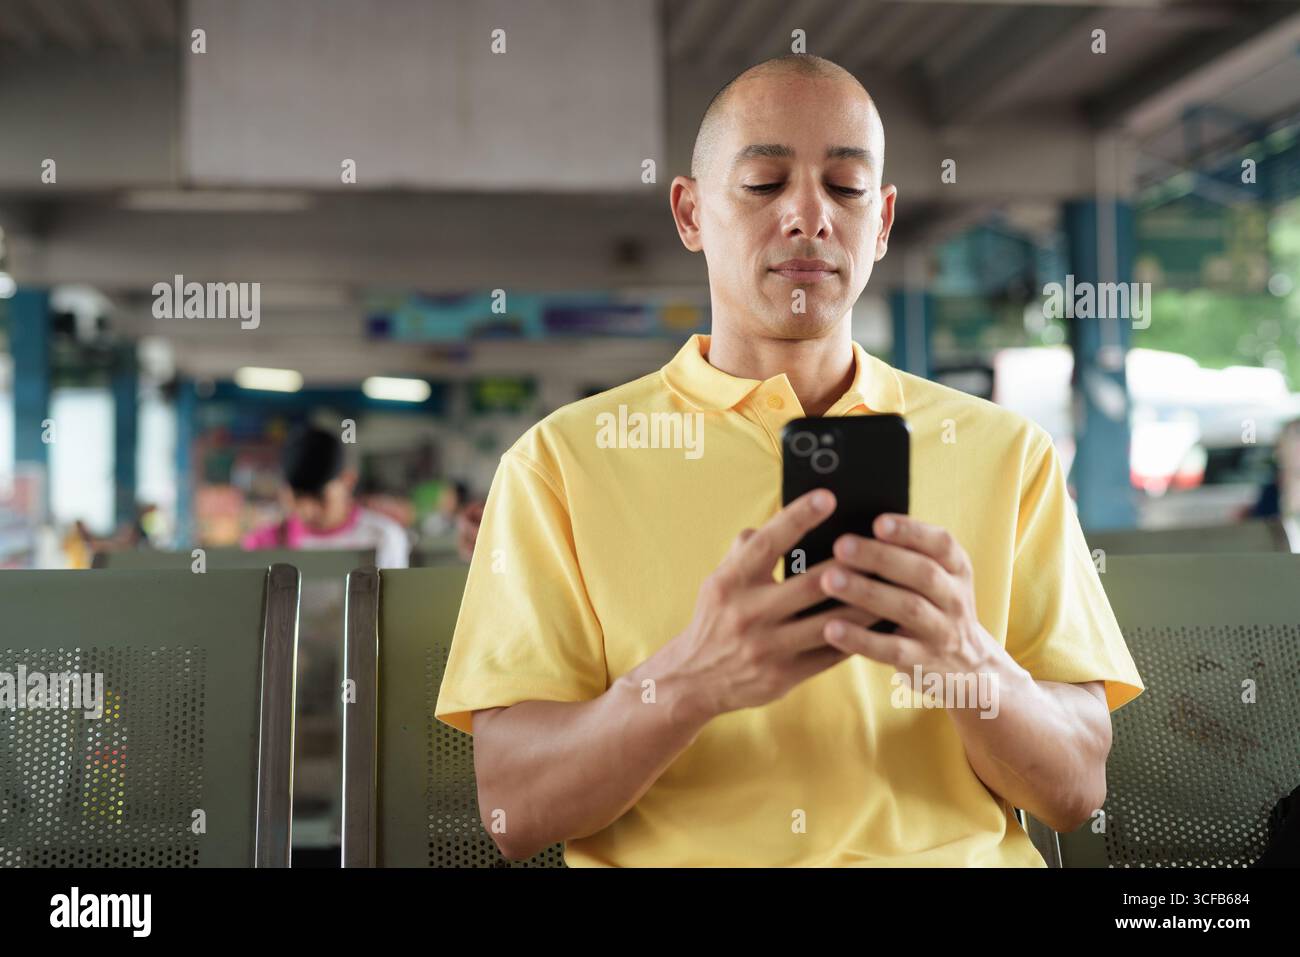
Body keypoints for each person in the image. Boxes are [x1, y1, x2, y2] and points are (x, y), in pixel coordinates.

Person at [435, 54, 1144, 867]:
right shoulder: (560, 463)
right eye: (765, 183)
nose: (809, 216)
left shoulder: (1006, 452)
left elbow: (1075, 789)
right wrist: (692, 681)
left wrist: (967, 661)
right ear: (691, 212)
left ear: (880, 224)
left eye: (844, 189)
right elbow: (512, 810)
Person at [243, 424, 409, 568]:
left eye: (319, 497)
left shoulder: (383, 538)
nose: (308, 510)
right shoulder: (266, 544)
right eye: (297, 498)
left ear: (348, 480)